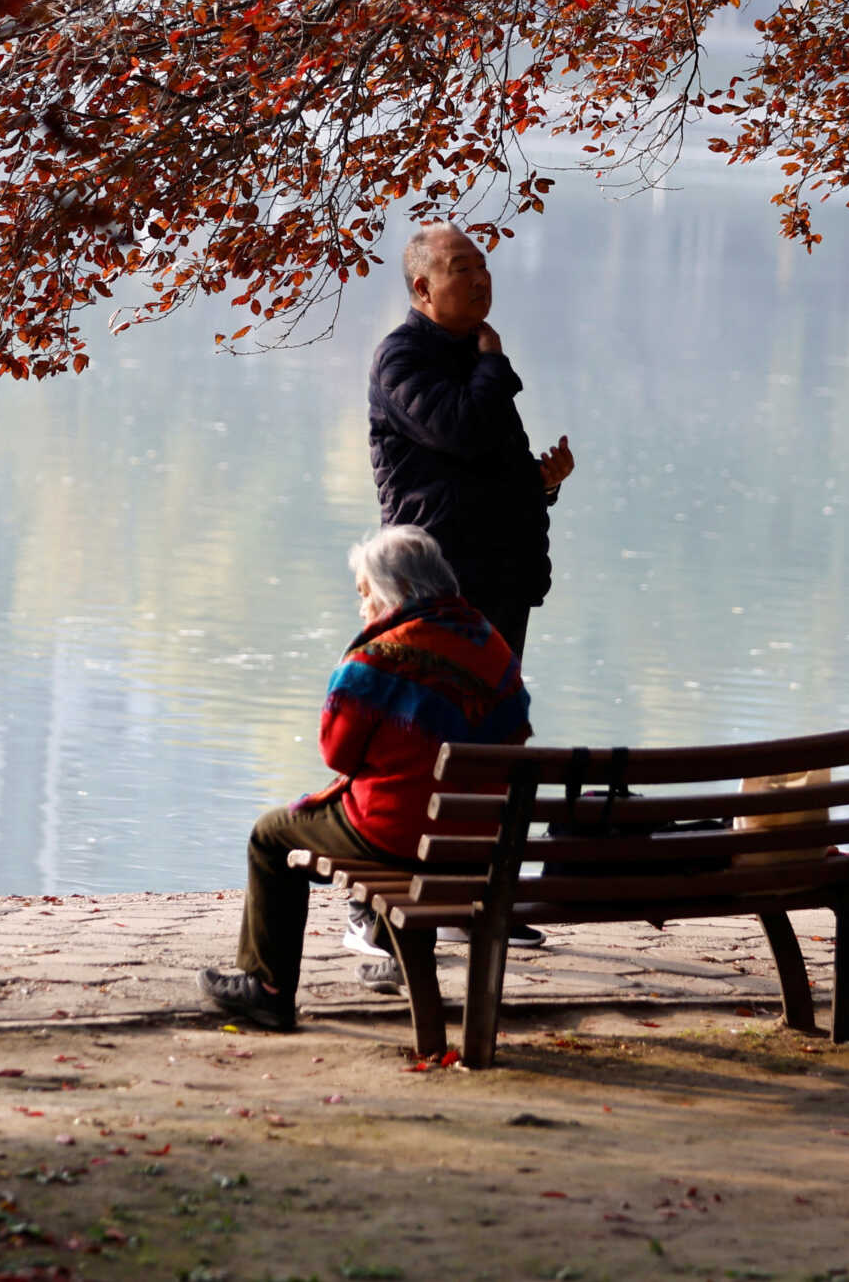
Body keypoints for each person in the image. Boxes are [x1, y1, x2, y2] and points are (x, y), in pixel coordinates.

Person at [197, 526, 531, 1032]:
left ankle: (265, 987)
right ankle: (403, 961)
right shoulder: (493, 646)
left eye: (364, 593)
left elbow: (337, 754)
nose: (361, 607)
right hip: (477, 843)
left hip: (397, 837)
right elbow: (517, 730)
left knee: (270, 835)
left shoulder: (377, 658)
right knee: (417, 812)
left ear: (392, 590)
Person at [368, 224, 574, 659]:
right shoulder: (402, 357)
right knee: (438, 719)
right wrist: (494, 360)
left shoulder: (474, 354)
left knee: (492, 721)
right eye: (462, 269)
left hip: (502, 581)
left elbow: (483, 465)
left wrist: (542, 482)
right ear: (423, 288)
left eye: (483, 266)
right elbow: (463, 431)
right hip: (436, 584)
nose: (481, 279)